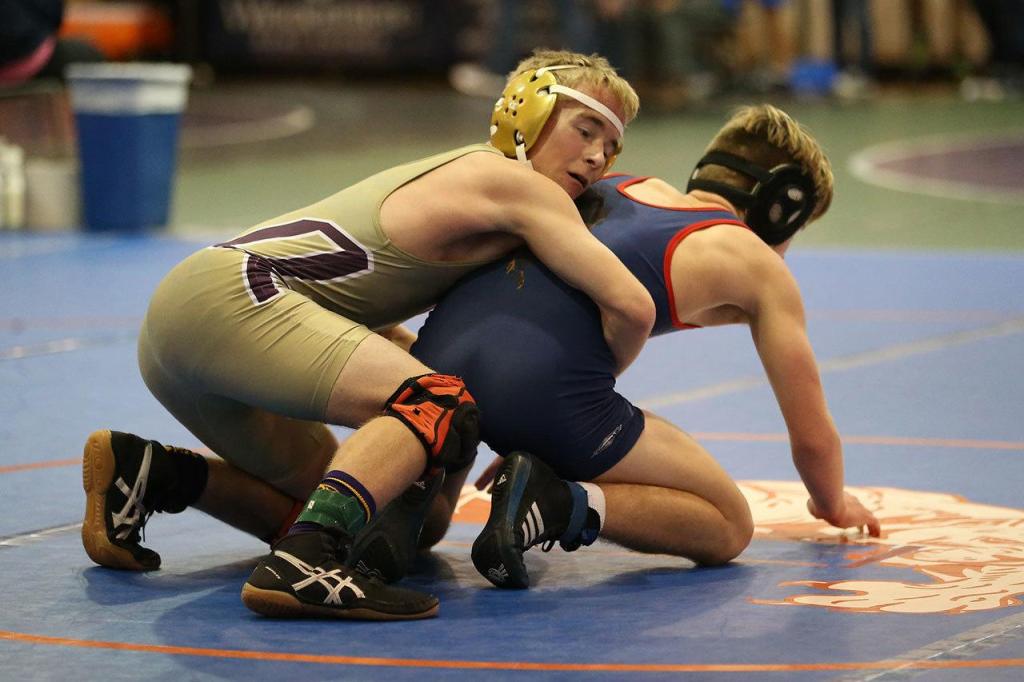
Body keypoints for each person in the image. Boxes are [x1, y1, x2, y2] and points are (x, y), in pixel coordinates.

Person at [79, 49, 655, 619]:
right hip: (235, 300)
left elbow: (344, 292)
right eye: (586, 130)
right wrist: (581, 403)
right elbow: (633, 306)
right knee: (439, 403)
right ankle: (302, 566)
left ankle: (152, 473)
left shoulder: (462, 172)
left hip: (190, 321)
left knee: (381, 517)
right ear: (527, 111)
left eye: (611, 146)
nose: (598, 156)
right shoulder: (523, 188)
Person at [358, 103, 882, 589]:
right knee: (729, 525)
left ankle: (414, 486)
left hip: (438, 363)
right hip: (544, 397)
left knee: (426, 529)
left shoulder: (606, 183)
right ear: (781, 212)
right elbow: (812, 438)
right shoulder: (756, 262)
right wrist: (832, 503)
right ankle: (558, 500)